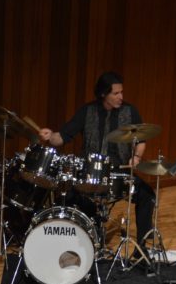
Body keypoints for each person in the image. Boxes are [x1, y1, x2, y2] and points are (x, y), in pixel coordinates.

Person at [38, 71, 155, 245]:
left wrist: (136, 157)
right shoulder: (87, 111)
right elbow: (61, 137)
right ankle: (71, 241)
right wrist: (49, 136)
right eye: (116, 93)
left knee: (147, 195)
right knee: (67, 195)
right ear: (103, 94)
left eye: (121, 92)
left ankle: (143, 246)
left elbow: (141, 141)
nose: (120, 97)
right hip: (89, 174)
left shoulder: (130, 112)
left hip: (118, 174)